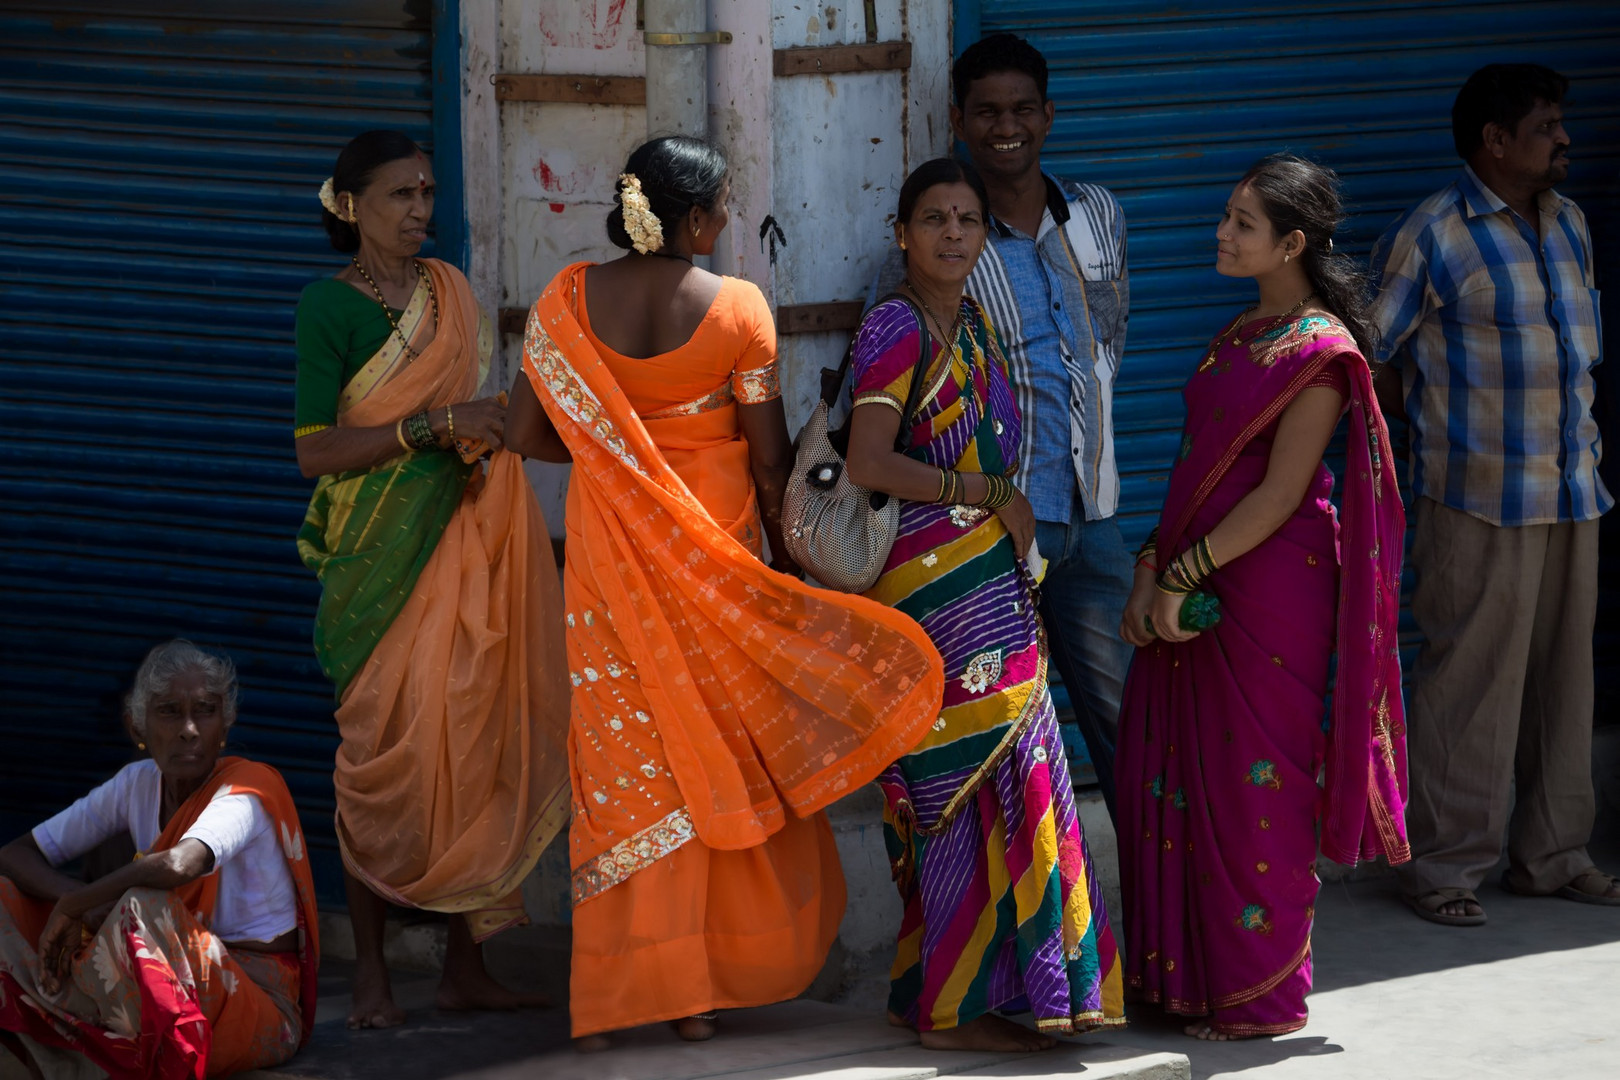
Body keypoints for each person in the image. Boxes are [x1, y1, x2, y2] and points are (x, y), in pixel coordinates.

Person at [505, 135, 944, 1048]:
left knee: (634, 763)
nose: (730, 220)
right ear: (696, 219)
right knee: (722, 741)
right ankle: (713, 986)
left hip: (608, 558)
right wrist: (791, 564)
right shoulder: (740, 307)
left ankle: (653, 988)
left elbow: (525, 431)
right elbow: (772, 457)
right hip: (718, 556)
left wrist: (621, 458)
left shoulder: (565, 301)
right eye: (724, 207)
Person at [1116, 154, 1410, 1040]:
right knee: (1164, 775)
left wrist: (1181, 574)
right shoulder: (1239, 332)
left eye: (1243, 222)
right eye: (1227, 216)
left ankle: (1262, 997)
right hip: (1195, 574)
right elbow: (1191, 466)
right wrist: (1147, 566)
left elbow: (1281, 493)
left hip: (1269, 589)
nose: (1222, 232)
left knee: (1255, 789)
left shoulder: (1321, 353)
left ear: (1293, 242)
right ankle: (1186, 982)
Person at [844, 156, 1124, 1052]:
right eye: (935, 219)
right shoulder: (895, 326)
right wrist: (983, 487)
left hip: (993, 584)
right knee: (958, 782)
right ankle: (951, 1008)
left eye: (967, 219)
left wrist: (1001, 509)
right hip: (933, 591)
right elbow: (869, 461)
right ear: (902, 233)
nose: (955, 233)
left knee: (1019, 776)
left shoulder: (969, 323)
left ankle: (994, 988)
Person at [293, 130, 571, 1028]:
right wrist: (427, 427)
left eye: (425, 195)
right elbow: (315, 452)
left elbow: (488, 411)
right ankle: (371, 972)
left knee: (477, 741)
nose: (418, 212)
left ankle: (465, 968)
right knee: (380, 764)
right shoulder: (326, 310)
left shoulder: (450, 290)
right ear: (350, 207)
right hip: (375, 566)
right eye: (397, 197)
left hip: (466, 538)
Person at [1371, 64, 1620, 923]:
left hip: (1572, 492)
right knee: (1467, 684)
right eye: (1546, 126)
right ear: (1495, 141)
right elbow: (1365, 356)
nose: (1563, 140)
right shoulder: (1434, 233)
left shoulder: (1571, 224)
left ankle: (1554, 855)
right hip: (1474, 498)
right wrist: (1439, 412)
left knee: (1565, 682)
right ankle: (1443, 867)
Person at [872, 33, 1133, 817]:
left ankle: (1159, 924)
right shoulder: (945, 240)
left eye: (1022, 109)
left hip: (1098, 515)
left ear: (1049, 116)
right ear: (959, 120)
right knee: (1009, 737)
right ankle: (1037, 921)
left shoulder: (1099, 216)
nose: (1005, 126)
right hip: (995, 528)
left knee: (1131, 728)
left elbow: (1110, 344)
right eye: (986, 112)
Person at [0, 640, 320, 1078]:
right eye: (169, 711)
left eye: (205, 711)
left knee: (142, 906)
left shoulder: (248, 789)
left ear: (225, 726)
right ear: (137, 727)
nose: (189, 729)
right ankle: (73, 1020)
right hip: (168, 974)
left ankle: (80, 1027)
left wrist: (79, 906)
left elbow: (179, 865)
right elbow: (16, 853)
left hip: (257, 1005)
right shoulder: (137, 783)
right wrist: (75, 898)